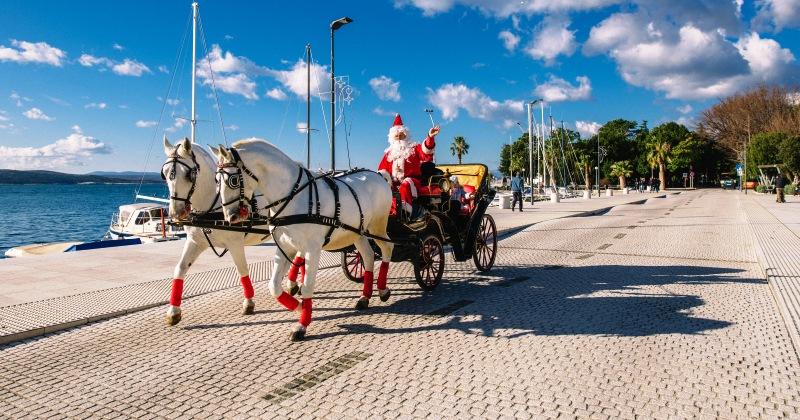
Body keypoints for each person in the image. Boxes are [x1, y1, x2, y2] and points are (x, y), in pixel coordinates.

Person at [377, 114, 439, 219]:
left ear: (406, 135)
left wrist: (430, 137)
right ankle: (386, 213)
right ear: (392, 138)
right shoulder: (388, 153)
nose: (399, 138)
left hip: (413, 182)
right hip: (394, 183)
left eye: (401, 135)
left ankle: (404, 213)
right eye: (396, 136)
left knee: (406, 185)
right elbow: (382, 170)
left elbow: (426, 151)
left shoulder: (414, 148)